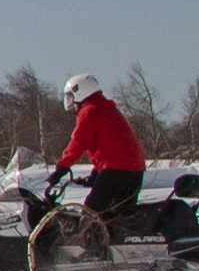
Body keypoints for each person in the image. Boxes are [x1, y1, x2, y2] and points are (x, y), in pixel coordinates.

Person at [43, 75, 146, 229]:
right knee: (119, 215)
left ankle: (90, 249)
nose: (70, 102)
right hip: (135, 170)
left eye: (71, 96)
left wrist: (62, 167)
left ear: (80, 92)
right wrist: (96, 175)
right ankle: (117, 247)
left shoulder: (90, 111)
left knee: (92, 212)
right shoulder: (107, 109)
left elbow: (79, 142)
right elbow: (113, 146)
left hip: (116, 170)